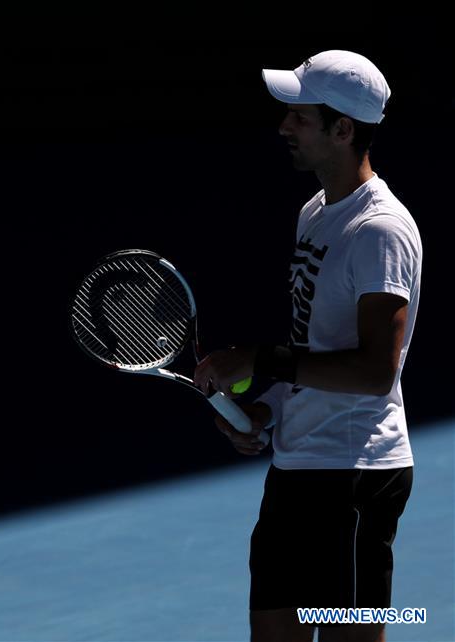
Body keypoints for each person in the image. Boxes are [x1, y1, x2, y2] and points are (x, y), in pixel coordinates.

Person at [193, 51, 421, 642]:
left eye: (299, 117)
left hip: (353, 476)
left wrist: (260, 360)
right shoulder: (316, 212)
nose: (283, 128)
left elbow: (375, 372)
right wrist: (270, 410)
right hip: (297, 464)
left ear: (342, 130)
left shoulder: (380, 231)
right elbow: (316, 347)